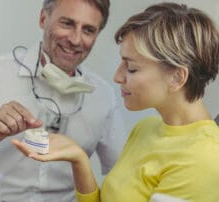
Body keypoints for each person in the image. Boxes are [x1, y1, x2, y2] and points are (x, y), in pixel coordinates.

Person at [12, 2, 219, 201]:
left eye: (131, 68)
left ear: (177, 78)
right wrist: (79, 158)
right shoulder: (147, 128)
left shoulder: (204, 158)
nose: (117, 77)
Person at [0, 0, 126, 201]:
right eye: (67, 23)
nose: (76, 40)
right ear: (43, 19)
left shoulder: (103, 96)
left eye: (88, 30)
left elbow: (122, 176)